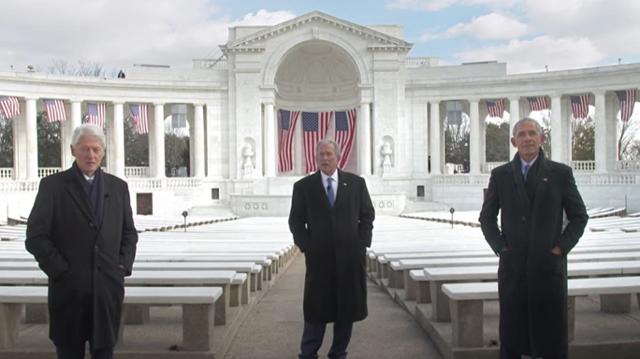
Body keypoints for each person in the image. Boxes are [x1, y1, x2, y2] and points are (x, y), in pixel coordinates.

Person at [26, 124, 138, 359]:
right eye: (85, 149)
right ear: (72, 150)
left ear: (104, 152)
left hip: (107, 289)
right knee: (69, 352)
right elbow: (36, 236)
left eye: (96, 149)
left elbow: (129, 233)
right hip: (68, 290)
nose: (91, 155)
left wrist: (121, 267)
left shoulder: (118, 188)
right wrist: (60, 270)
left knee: (104, 352)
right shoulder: (53, 187)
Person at [479, 118, 588, 359]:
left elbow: (579, 216)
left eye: (532, 133)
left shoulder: (560, 173)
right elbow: (486, 218)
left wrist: (560, 248)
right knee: (512, 336)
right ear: (513, 141)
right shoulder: (501, 175)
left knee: (551, 338)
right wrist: (501, 248)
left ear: (542, 138)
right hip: (513, 268)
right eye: (521, 134)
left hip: (548, 268)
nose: (527, 138)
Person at [289, 139, 375, 359]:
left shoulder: (356, 184)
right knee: (316, 311)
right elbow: (296, 221)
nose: (325, 158)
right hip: (319, 262)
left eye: (329, 154)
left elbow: (367, 215)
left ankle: (338, 353)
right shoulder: (303, 187)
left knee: (345, 311)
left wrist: (361, 244)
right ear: (316, 157)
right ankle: (308, 353)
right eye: (321, 155)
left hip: (349, 260)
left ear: (338, 157)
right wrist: (307, 247)